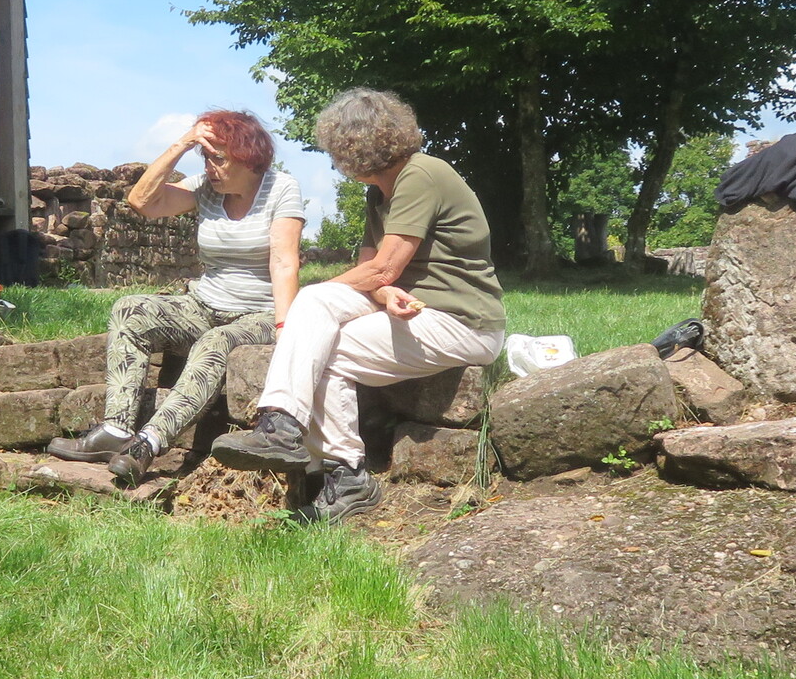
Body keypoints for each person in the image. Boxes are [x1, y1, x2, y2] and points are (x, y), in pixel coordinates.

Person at [212, 88, 504, 522]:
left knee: (321, 333)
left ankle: (323, 456)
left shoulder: (422, 175)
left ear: (352, 147)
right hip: (412, 309)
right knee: (320, 326)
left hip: (463, 322)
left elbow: (383, 268)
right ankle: (297, 439)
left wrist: (350, 288)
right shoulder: (378, 194)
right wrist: (381, 292)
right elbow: (373, 275)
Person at [49, 111, 305, 483]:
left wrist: (285, 329)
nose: (210, 167)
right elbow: (142, 201)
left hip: (259, 313)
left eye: (219, 159)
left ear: (249, 158)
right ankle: (116, 430)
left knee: (216, 341)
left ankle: (148, 443)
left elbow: (284, 262)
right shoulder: (204, 187)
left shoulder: (281, 187)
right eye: (206, 157)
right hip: (204, 305)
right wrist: (182, 144)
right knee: (130, 308)